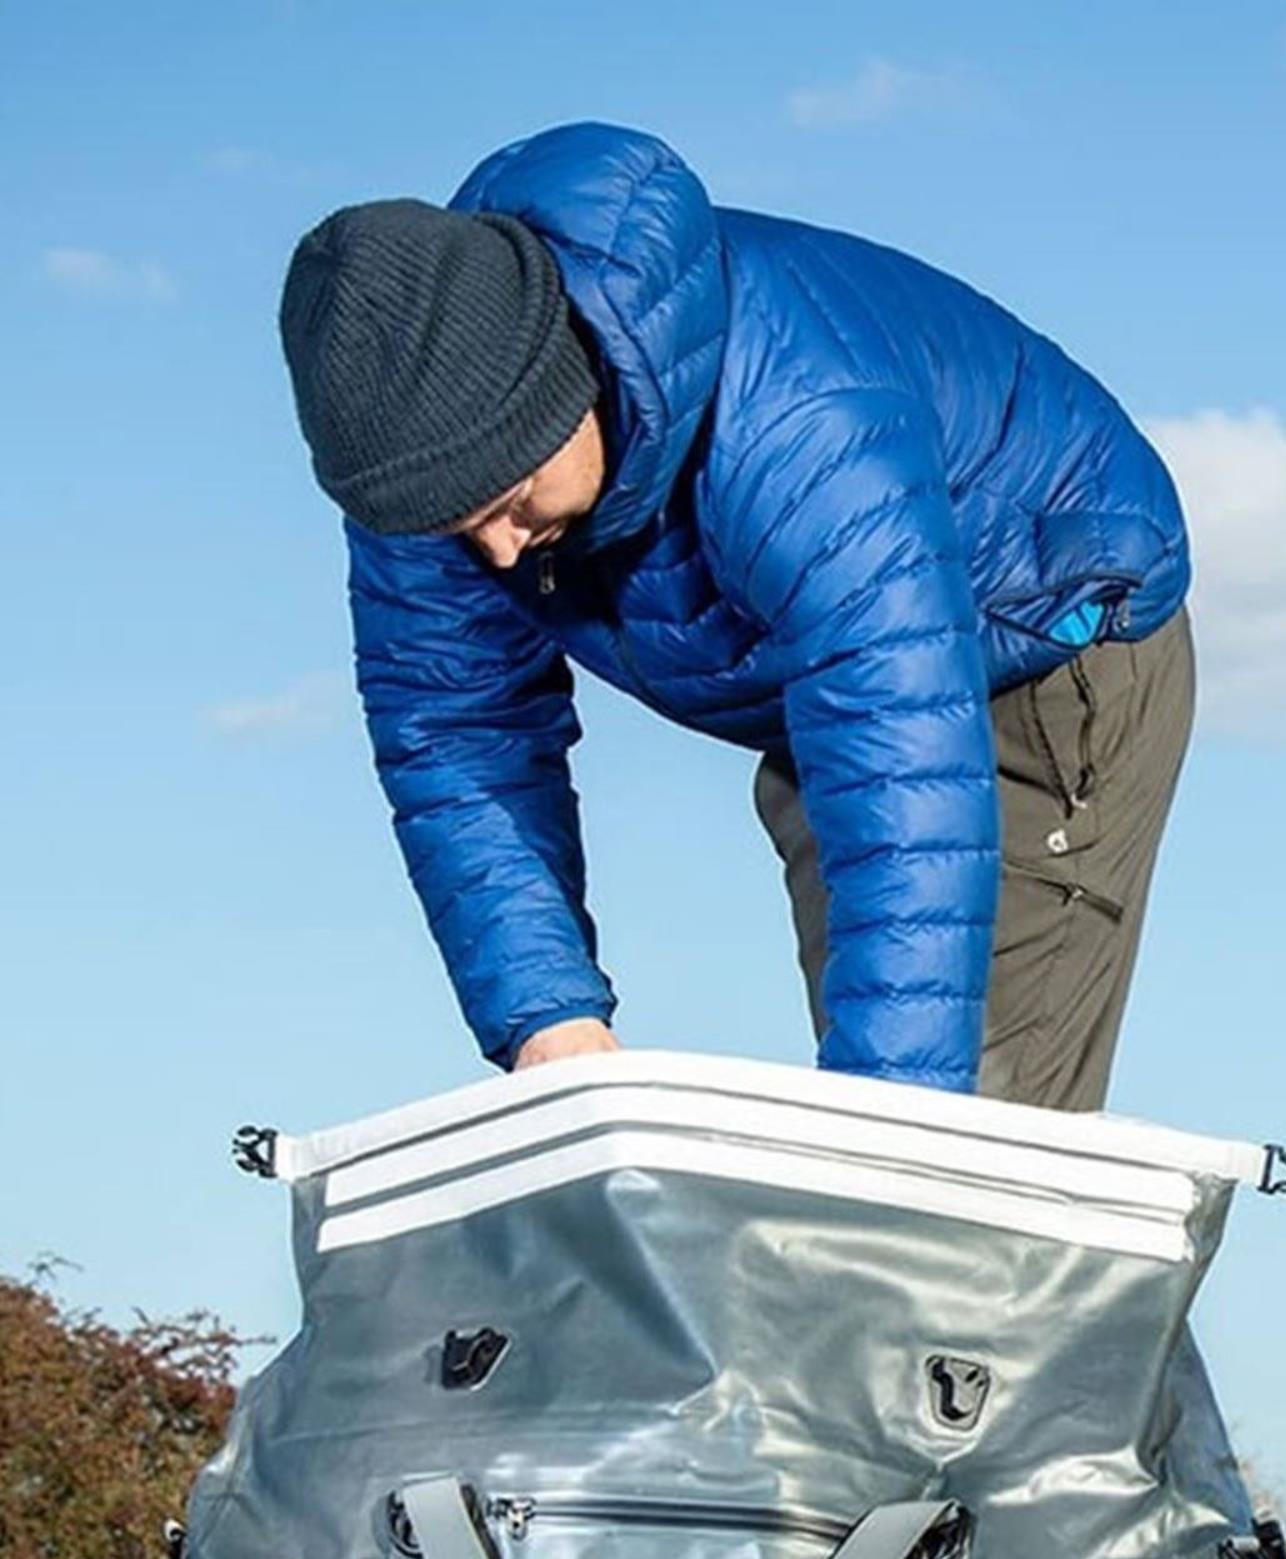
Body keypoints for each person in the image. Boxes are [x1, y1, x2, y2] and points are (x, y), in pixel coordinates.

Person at [277, 122, 1194, 1114]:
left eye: (509, 501)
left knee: (953, 1123)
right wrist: (547, 1022)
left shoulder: (801, 431)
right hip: (819, 680)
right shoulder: (416, 461)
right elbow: (456, 732)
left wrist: (898, 1127)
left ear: (563, 389)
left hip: (1032, 639)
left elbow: (902, 767)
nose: (495, 548)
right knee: (866, 1134)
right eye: (456, 525)